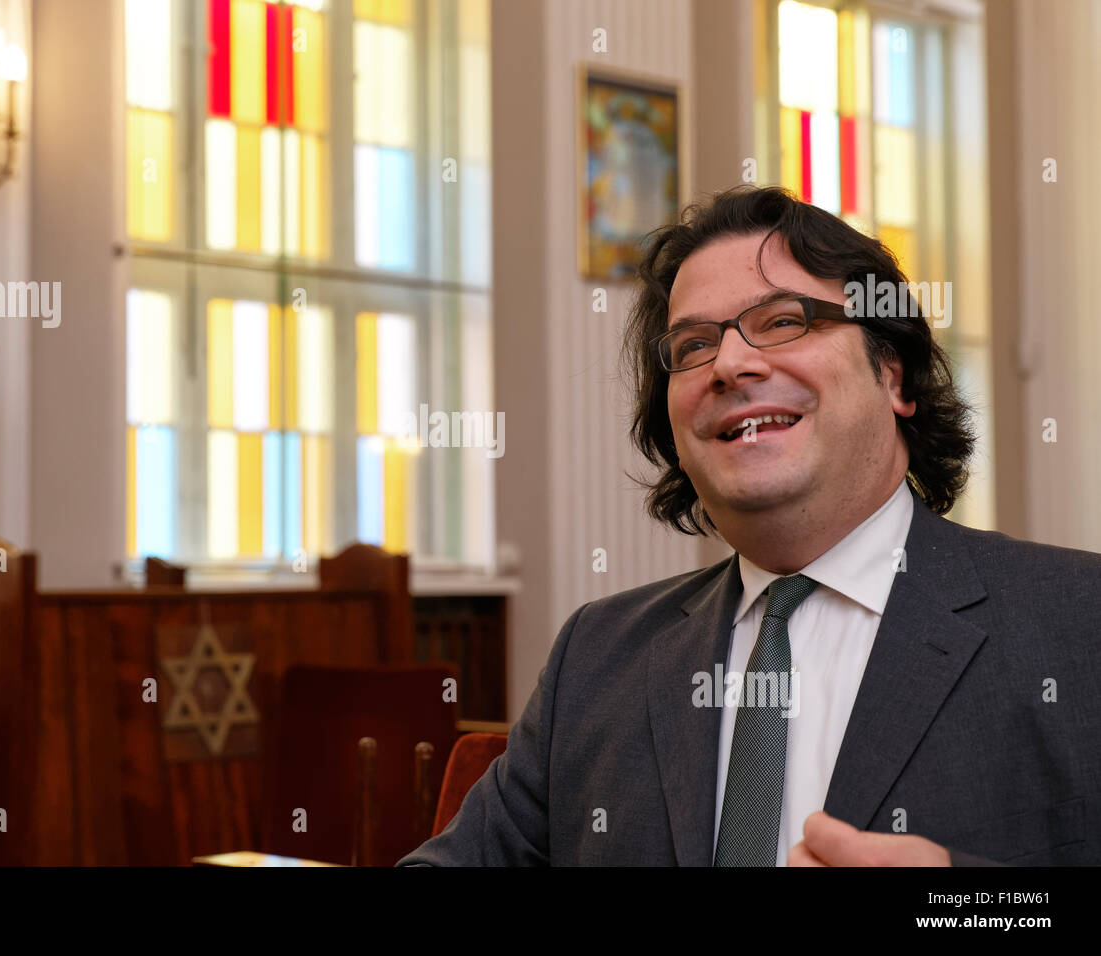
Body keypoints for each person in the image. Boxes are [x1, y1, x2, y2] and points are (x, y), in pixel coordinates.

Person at [398, 185, 1100, 867]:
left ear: (893, 375)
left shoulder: (1076, 624)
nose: (731, 364)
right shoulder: (596, 657)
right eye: (694, 346)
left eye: (783, 321)